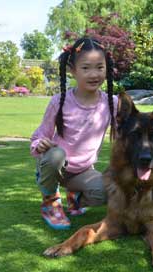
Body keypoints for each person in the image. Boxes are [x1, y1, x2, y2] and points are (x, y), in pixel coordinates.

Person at [30, 37, 117, 230]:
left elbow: (128, 133)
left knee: (107, 192)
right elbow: (38, 137)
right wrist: (41, 144)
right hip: (57, 165)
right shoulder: (59, 101)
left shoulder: (112, 103)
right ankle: (50, 201)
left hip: (84, 171)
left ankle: (75, 196)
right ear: (73, 71)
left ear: (107, 68)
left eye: (100, 67)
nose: (94, 74)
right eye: (86, 68)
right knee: (56, 154)